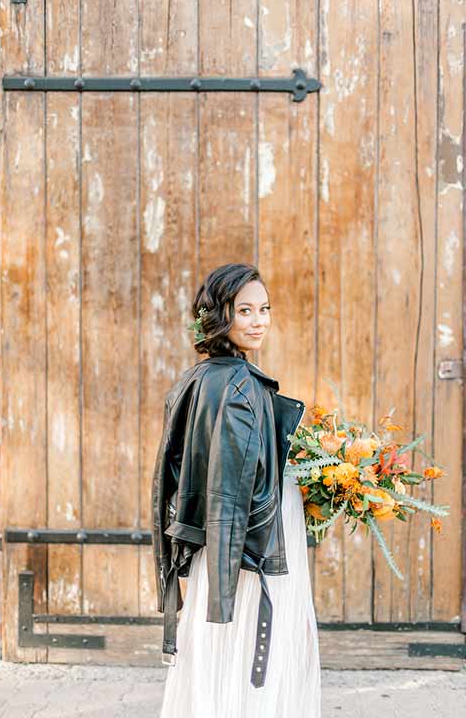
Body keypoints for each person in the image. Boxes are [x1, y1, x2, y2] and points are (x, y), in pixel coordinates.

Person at [151, 263, 321, 717]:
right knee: (245, 657)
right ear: (218, 316)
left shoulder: (199, 378)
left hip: (218, 550)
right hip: (246, 551)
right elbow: (229, 491)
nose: (258, 320)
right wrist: (226, 592)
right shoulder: (240, 386)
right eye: (244, 310)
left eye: (264, 309)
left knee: (217, 661)